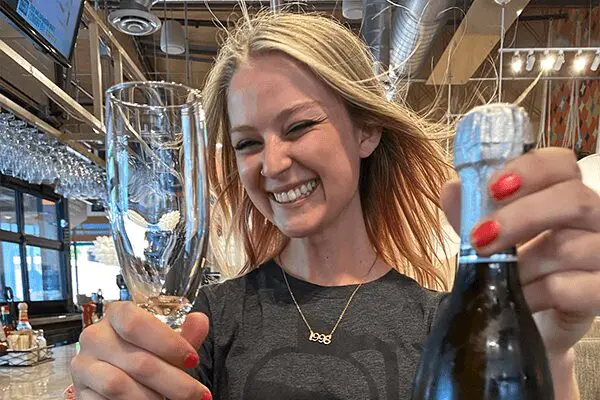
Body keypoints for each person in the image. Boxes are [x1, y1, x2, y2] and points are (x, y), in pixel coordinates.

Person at [70, 11, 600, 400]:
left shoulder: (441, 323)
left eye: (299, 126)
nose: (272, 164)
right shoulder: (210, 321)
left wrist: (549, 351)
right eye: (247, 143)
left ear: (366, 129)